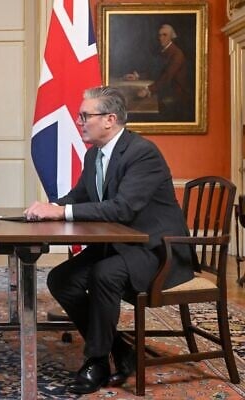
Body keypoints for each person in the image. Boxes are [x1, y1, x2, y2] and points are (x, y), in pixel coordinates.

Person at [24, 86, 193, 394]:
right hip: (120, 245)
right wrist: (47, 209)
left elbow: (123, 208)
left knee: (104, 274)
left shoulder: (142, 153)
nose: (79, 122)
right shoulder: (94, 155)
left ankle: (97, 361)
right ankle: (120, 348)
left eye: (84, 116)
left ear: (109, 119)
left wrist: (61, 211)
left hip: (157, 250)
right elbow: (78, 197)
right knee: (62, 279)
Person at [124, 24, 192, 121]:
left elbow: (167, 76)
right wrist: (137, 76)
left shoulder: (177, 54)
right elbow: (156, 72)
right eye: (159, 35)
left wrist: (148, 90)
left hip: (175, 94)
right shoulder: (163, 51)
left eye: (164, 35)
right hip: (164, 89)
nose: (161, 38)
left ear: (171, 37)